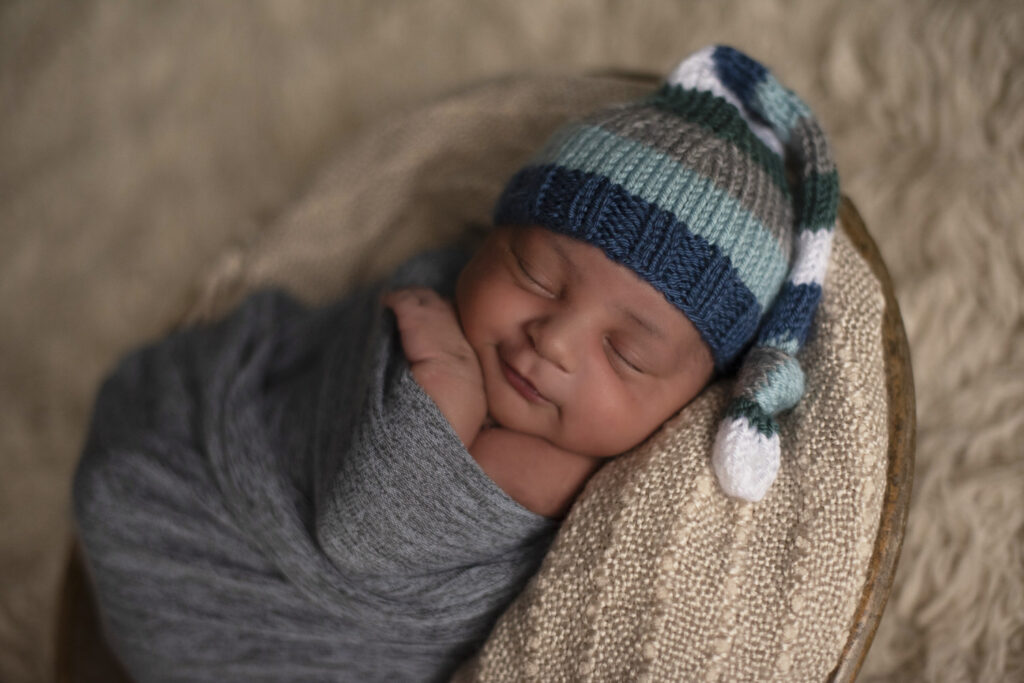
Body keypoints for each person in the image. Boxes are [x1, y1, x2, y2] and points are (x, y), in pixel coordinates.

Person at [73, 45, 837, 681]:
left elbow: (369, 534)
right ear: (490, 236)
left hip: (223, 591)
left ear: (694, 393)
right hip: (213, 448)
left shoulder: (564, 467)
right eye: (534, 273)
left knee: (121, 496)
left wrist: (446, 385)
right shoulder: (443, 279)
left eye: (625, 351)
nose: (554, 339)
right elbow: (333, 352)